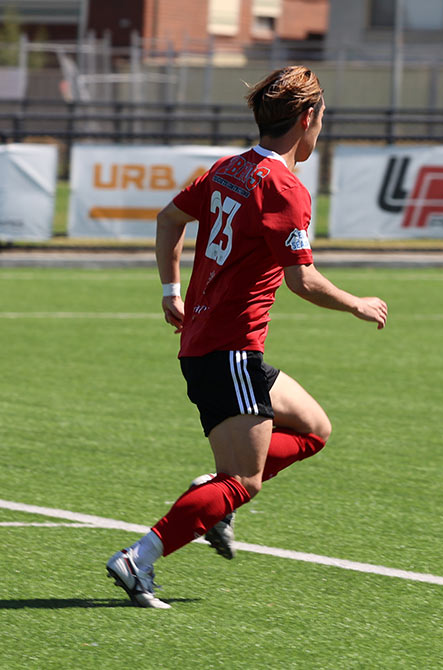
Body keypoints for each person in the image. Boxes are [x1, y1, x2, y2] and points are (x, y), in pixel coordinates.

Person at [106, 66, 388, 609]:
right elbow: (301, 278)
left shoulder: (229, 168)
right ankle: (139, 558)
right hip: (230, 350)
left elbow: (168, 220)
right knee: (245, 480)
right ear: (307, 119)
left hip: (209, 344)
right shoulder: (284, 187)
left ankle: (215, 498)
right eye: (321, 118)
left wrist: (170, 289)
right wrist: (356, 303)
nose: (320, 129)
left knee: (312, 429)